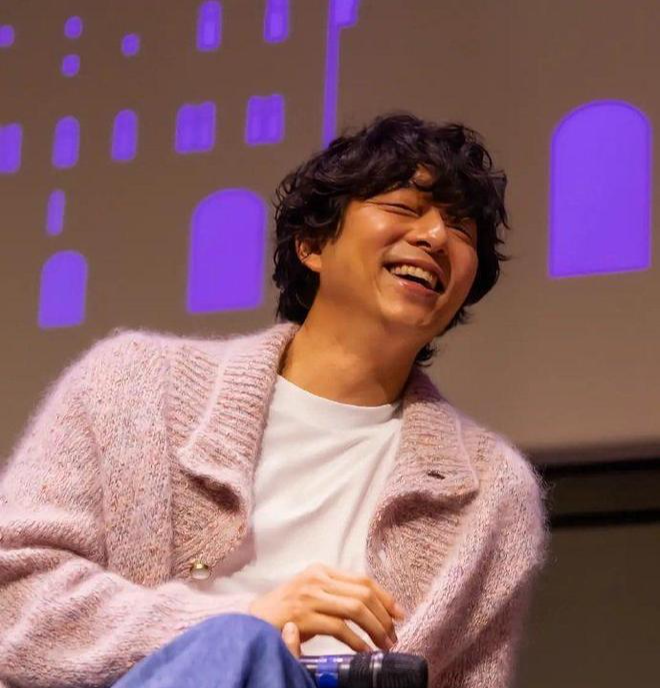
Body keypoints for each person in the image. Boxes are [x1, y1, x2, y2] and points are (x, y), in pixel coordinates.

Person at [0, 112, 549, 688]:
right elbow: (14, 595)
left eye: (461, 229)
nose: (435, 237)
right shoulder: (132, 385)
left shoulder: (489, 491)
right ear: (312, 244)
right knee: (242, 644)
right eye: (403, 207)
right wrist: (243, 622)